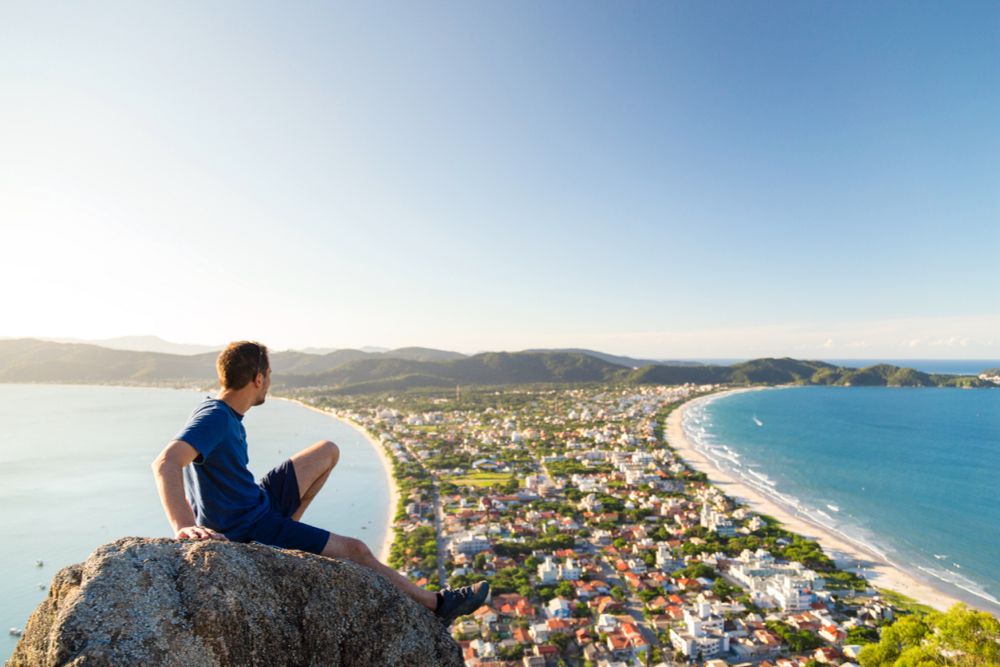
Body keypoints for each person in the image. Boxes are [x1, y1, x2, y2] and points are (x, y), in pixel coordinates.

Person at [151, 340, 488, 625]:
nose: (269, 383)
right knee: (357, 550)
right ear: (257, 379)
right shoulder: (215, 419)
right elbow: (166, 462)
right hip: (245, 526)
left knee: (327, 451)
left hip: (256, 502)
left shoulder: (219, 410)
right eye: (268, 377)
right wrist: (184, 525)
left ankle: (286, 534)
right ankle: (438, 606)